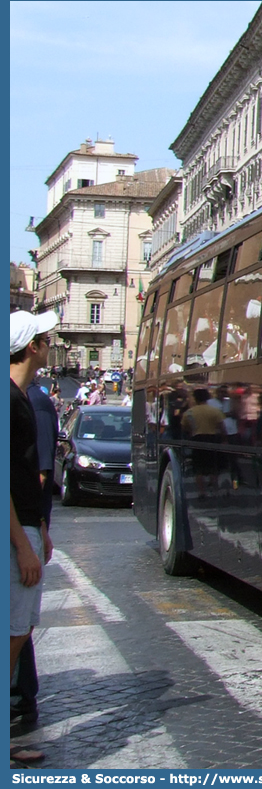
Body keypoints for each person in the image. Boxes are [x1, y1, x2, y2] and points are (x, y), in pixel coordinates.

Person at [10, 311, 58, 764]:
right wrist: (24, 543)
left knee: (17, 634)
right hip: (12, 537)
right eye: (46, 338)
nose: (51, 345)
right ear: (32, 347)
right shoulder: (9, 399)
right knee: (12, 635)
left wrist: (39, 526)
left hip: (25, 527)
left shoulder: (21, 398)